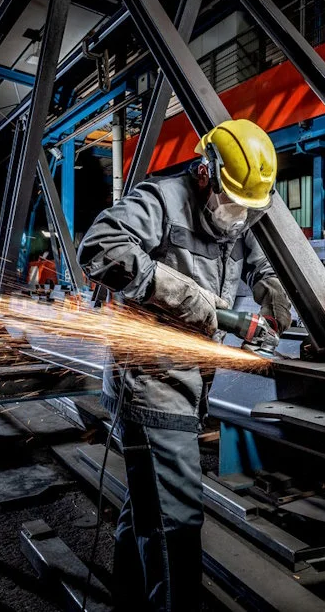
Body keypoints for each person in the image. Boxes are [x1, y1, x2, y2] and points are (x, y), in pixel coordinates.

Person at [77, 119, 293, 611]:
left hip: (192, 380)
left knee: (145, 508)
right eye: (232, 202)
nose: (237, 218)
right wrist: (179, 291)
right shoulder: (162, 199)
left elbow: (259, 262)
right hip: (151, 379)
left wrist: (277, 291)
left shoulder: (240, 215)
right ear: (204, 172)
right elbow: (99, 245)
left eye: (248, 209)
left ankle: (130, 601)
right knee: (177, 524)